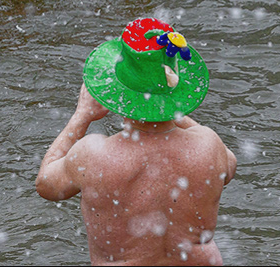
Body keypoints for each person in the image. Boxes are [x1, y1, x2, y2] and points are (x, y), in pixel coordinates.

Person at [36, 18, 237, 266]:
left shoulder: (93, 155)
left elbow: (46, 185)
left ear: (117, 93)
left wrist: (82, 116)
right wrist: (169, 108)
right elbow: (229, 167)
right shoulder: (210, 146)